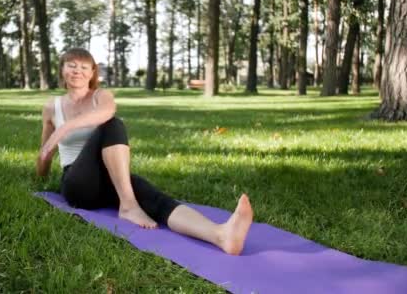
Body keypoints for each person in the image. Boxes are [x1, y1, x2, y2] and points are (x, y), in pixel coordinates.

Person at [37, 48, 253, 255]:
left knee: (156, 200)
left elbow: (107, 112)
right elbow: (44, 152)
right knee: (112, 126)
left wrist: (65, 127)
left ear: (93, 73)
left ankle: (221, 235)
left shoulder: (101, 96)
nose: (77, 71)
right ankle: (129, 206)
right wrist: (43, 173)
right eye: (71, 65)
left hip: (112, 179)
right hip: (78, 184)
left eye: (84, 67)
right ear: (62, 70)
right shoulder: (51, 106)